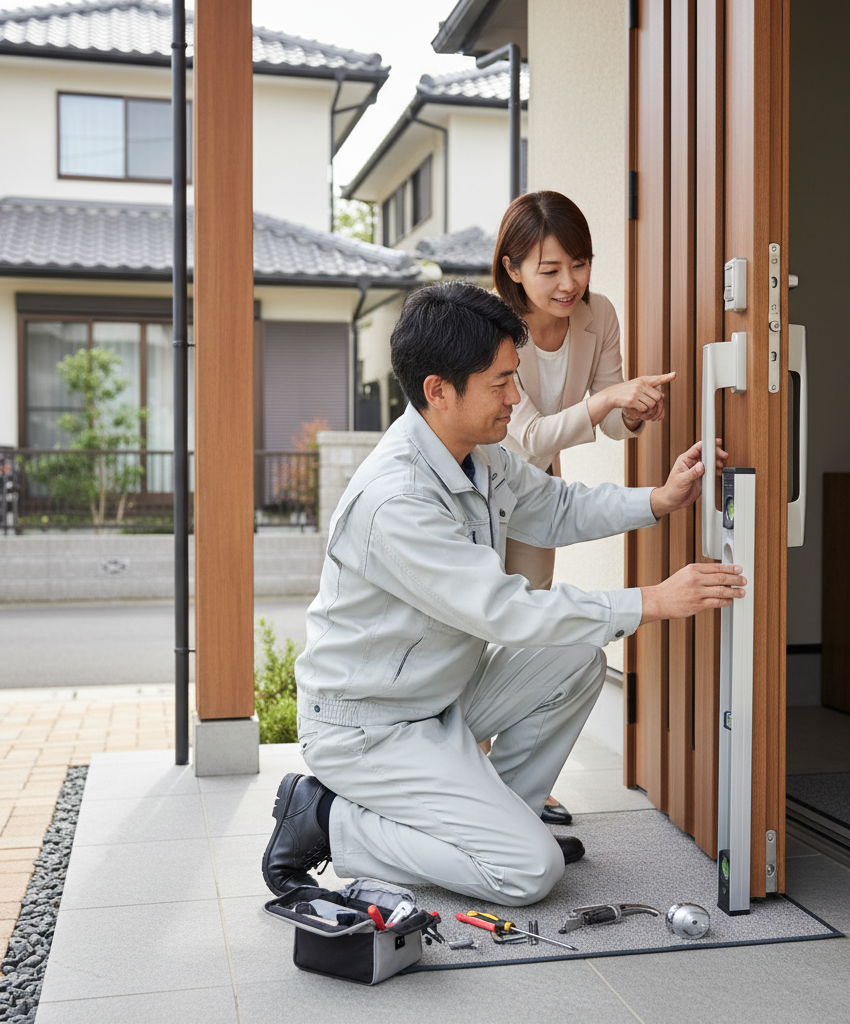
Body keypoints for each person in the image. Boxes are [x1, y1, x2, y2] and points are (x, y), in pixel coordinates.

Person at [261, 282, 742, 908]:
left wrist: (659, 500)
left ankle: (499, 823)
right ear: (438, 390)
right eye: (501, 383)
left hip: (440, 698)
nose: (517, 399)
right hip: (370, 728)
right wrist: (650, 601)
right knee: (530, 873)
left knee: (575, 656)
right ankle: (327, 817)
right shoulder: (396, 499)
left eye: (515, 378)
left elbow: (555, 506)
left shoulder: (478, 452)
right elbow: (506, 610)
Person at [492, 190, 673, 825]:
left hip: (536, 494)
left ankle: (522, 782)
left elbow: (612, 421)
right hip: (477, 493)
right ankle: (471, 779)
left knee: (529, 634)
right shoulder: (492, 326)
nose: (571, 283)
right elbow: (529, 434)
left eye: (581, 263)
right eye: (550, 269)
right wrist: (605, 405)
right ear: (512, 269)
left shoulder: (600, 316)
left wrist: (633, 409)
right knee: (476, 631)